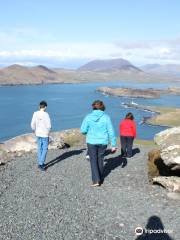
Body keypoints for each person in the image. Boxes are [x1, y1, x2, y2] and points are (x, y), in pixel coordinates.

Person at [80, 100, 117, 186]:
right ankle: (99, 177)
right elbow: (111, 132)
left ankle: (96, 180)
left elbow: (83, 130)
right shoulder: (106, 117)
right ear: (102, 107)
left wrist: (87, 133)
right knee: (100, 159)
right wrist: (113, 145)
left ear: (93, 107)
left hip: (91, 141)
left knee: (93, 160)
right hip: (103, 142)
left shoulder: (88, 117)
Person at [31, 101, 51, 171]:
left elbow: (32, 123)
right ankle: (41, 164)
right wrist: (49, 132)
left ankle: (40, 162)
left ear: (39, 106)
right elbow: (49, 125)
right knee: (45, 149)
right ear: (45, 107)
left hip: (38, 133)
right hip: (45, 134)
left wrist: (34, 130)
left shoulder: (35, 113)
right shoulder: (46, 114)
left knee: (39, 148)